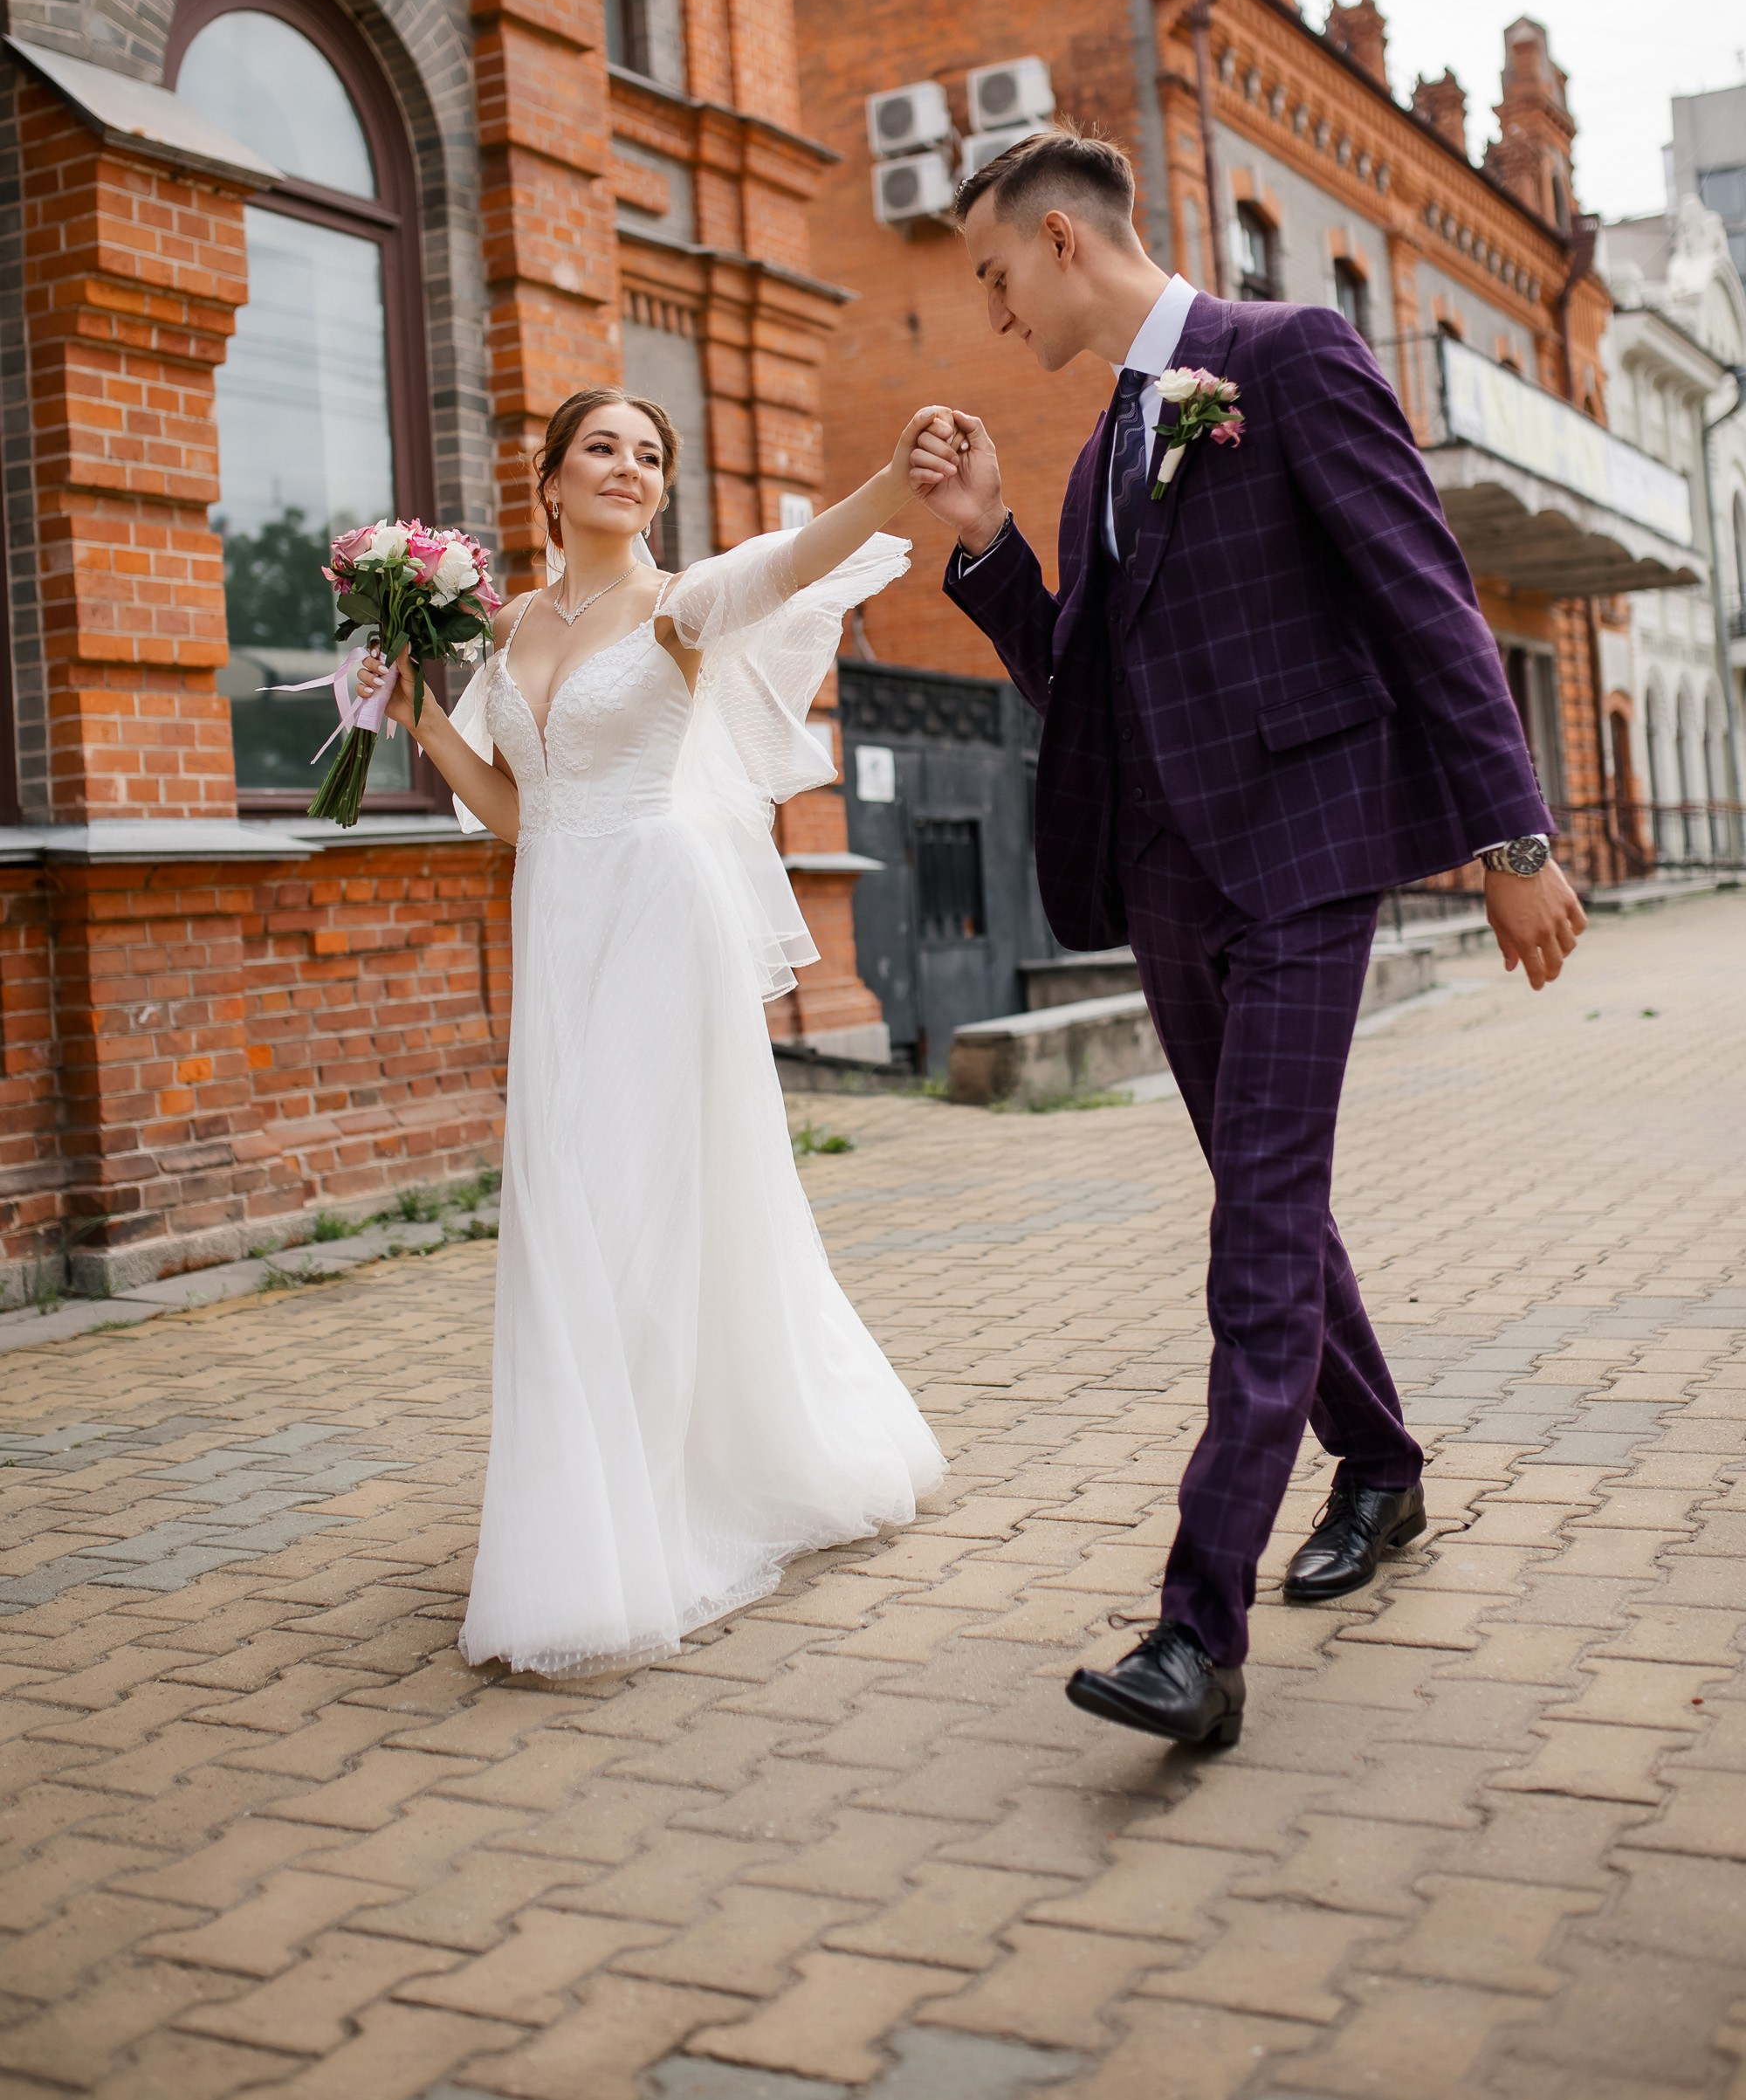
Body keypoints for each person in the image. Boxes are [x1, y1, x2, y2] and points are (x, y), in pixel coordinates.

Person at [907, 128, 1584, 1750]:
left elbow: (1427, 599)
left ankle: (1196, 1632)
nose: (995, 313)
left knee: (1260, 1226)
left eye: (997, 276)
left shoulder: (1286, 360)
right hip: (1167, 884)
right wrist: (996, 543)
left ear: (1064, 240)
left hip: (1300, 862)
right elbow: (1090, 687)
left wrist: (1515, 840)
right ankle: (1386, 1464)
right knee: (1262, 1196)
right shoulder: (1099, 455)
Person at [359, 389, 946, 1677]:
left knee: (637, 1204)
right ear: (551, 481)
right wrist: (421, 719)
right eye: (603, 450)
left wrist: (893, 479)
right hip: (559, 920)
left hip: (659, 923)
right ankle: (590, 1497)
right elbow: (521, 815)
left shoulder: (681, 609)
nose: (630, 469)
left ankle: (657, 1513)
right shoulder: (507, 625)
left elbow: (791, 563)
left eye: (650, 455)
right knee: (563, 1203)